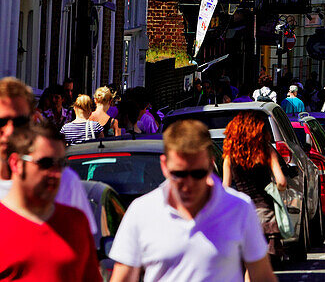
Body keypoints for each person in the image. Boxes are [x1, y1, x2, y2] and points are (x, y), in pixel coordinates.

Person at [110, 119, 277, 282]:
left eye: (198, 174)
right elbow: (122, 277)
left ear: (211, 165)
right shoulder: (142, 211)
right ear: (164, 166)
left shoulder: (239, 208)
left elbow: (262, 276)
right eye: (179, 174)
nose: (188, 185)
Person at [0, 123, 100, 282]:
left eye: (60, 164)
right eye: (45, 163)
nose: (55, 174)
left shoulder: (76, 222)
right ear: (16, 163)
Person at [0, 76, 96, 233]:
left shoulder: (63, 181)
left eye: (19, 122)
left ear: (33, 120)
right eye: (1, 122)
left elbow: (83, 245)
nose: (9, 131)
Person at [223, 110, 287, 257]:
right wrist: (274, 189)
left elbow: (225, 188)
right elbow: (282, 182)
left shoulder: (229, 155)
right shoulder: (267, 150)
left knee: (246, 266)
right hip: (265, 216)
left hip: (241, 216)